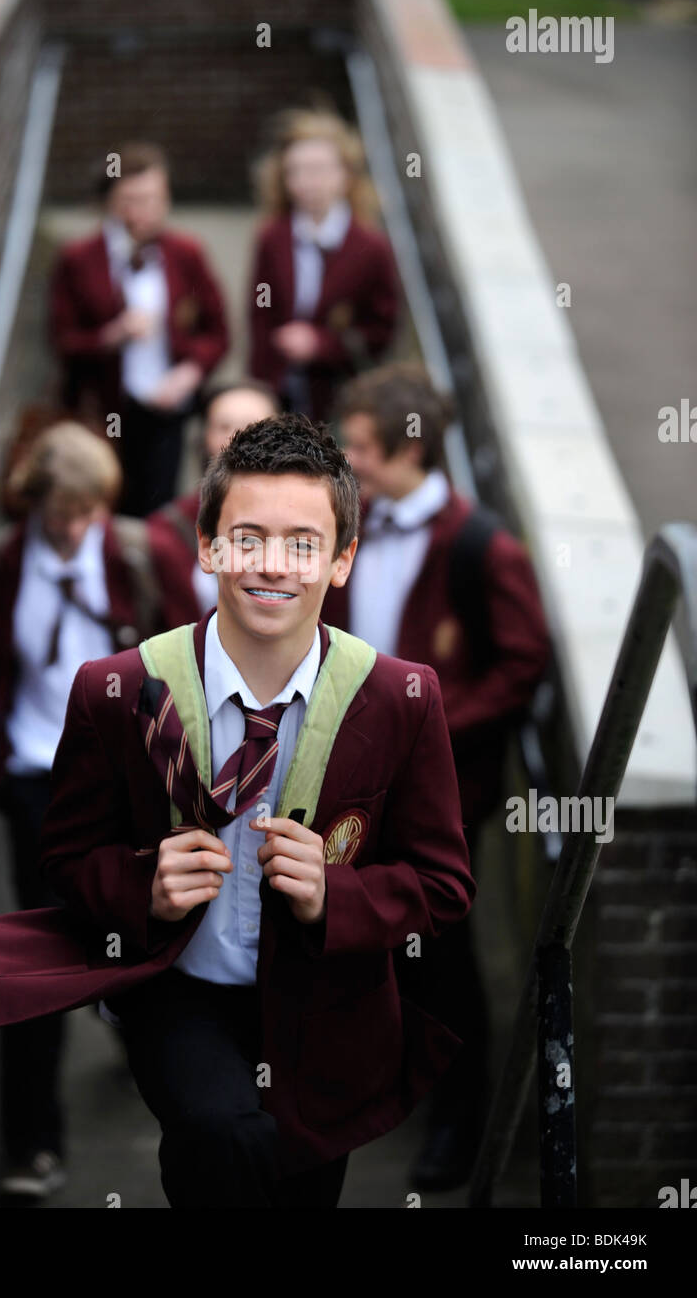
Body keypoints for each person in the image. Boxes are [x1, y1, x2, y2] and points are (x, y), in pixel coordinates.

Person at [0, 413, 475, 1209]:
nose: (272, 565)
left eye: (303, 543)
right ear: (208, 546)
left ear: (343, 559)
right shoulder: (117, 691)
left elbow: (443, 883)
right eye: (246, 537)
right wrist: (143, 884)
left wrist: (334, 893)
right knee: (224, 1134)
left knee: (298, 1182)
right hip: (182, 993)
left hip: (327, 1012)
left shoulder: (401, 697)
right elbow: (68, 861)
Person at [0, 420, 196, 1201]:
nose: (72, 527)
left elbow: (188, 659)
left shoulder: (140, 556)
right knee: (42, 955)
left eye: (87, 510)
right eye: (59, 511)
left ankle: (132, 1026)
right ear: (33, 502)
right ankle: (31, 1143)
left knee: (139, 933)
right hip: (35, 780)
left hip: (129, 784)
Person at [323, 365, 551, 1189]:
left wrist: (429, 730)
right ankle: (387, 1082)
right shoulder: (353, 524)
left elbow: (524, 661)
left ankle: (461, 1118)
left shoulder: (482, 546)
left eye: (359, 446)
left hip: (440, 794)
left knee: (443, 957)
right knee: (367, 937)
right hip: (352, 781)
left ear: (408, 451)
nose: (346, 459)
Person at [48, 142, 230, 517]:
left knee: (159, 509)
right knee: (104, 503)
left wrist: (189, 373)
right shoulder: (78, 258)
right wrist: (111, 336)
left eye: (156, 198)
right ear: (109, 202)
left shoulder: (186, 253)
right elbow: (61, 340)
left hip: (168, 407)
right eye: (133, 199)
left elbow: (218, 332)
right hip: (105, 409)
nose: (146, 210)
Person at [248, 109, 399, 424]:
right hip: (280, 390)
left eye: (316, 170)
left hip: (340, 397)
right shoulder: (273, 237)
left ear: (344, 175)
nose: (305, 182)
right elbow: (259, 314)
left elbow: (380, 333)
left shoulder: (371, 248)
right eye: (295, 171)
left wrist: (321, 344)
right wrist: (261, 386)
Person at [147, 378, 282, 617]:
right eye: (224, 426)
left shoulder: (315, 522)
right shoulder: (166, 531)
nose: (238, 439)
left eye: (255, 427)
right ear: (205, 437)